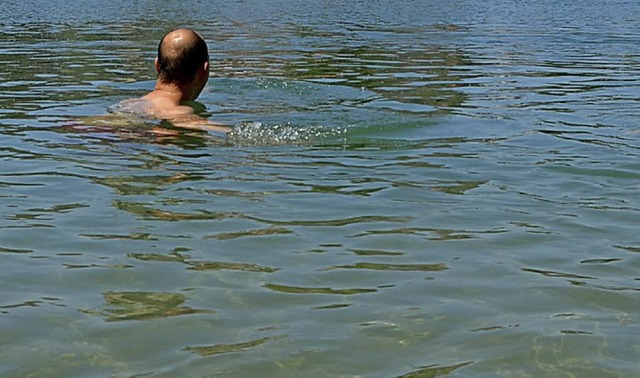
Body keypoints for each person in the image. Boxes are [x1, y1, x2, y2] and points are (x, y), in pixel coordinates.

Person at [140, 28, 230, 134]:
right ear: (203, 70)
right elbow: (228, 136)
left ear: (157, 65)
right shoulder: (179, 112)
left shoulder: (129, 104)